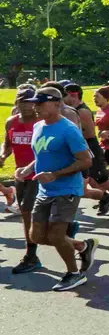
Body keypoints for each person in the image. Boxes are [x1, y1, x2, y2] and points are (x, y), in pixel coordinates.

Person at [14, 87, 97, 291]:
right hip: (45, 190)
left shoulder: (68, 130)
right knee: (36, 236)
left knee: (57, 235)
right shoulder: (39, 126)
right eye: (34, 103)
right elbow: (42, 154)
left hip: (66, 189)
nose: (35, 107)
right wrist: (28, 168)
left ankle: (74, 274)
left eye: (40, 103)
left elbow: (86, 161)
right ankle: (81, 246)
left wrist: (55, 174)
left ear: (56, 104)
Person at [64, 84, 109, 217]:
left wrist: (70, 135)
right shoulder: (81, 111)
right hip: (89, 149)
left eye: (97, 97)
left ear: (73, 95)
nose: (94, 99)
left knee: (103, 181)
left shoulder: (82, 111)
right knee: (93, 181)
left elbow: (90, 134)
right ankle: (106, 199)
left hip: (91, 149)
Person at [3, 87, 43, 273]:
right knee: (30, 214)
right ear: (17, 103)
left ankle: (31, 255)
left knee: (27, 212)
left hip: (40, 174)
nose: (26, 106)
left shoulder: (41, 123)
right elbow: (8, 144)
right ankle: (70, 235)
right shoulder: (11, 122)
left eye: (30, 101)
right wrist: (3, 156)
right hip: (21, 176)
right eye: (22, 101)